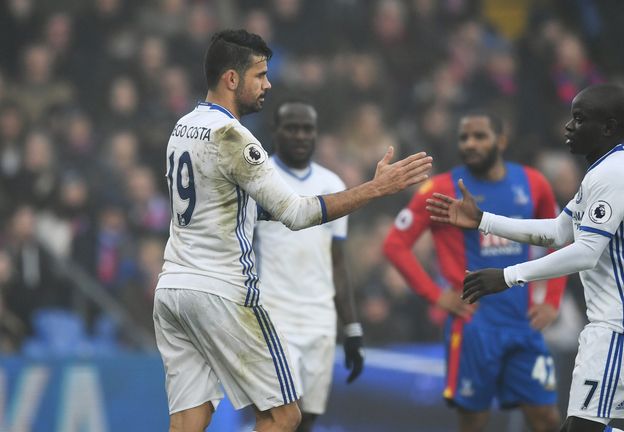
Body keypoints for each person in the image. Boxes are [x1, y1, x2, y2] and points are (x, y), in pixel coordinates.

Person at [153, 30, 431, 432]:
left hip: (173, 289)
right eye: (260, 75)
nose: (267, 84)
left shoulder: (183, 127)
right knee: (285, 416)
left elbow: (225, 205)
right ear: (232, 79)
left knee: (187, 422)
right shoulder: (235, 138)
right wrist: (376, 188)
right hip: (222, 291)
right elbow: (297, 213)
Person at [427, 84, 624, 432]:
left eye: (579, 119)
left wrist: (508, 275)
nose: (568, 127)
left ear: (608, 127)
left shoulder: (614, 175)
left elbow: (586, 253)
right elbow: (559, 231)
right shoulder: (602, 172)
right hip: (619, 324)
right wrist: (483, 220)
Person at [383, 111, 566, 432]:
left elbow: (560, 239)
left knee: (547, 419)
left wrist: (552, 299)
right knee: (474, 423)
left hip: (524, 325)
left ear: (502, 140)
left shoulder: (533, 183)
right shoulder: (439, 188)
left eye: (480, 136)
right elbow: (395, 245)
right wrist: (437, 295)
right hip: (473, 328)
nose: (470, 144)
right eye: (464, 137)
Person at [254, 100, 363, 432]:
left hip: (320, 319)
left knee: (308, 419)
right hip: (273, 315)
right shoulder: (257, 180)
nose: (300, 136)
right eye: (292, 128)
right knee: (280, 417)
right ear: (275, 132)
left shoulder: (332, 185)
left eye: (307, 129)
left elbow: (337, 261)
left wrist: (352, 327)